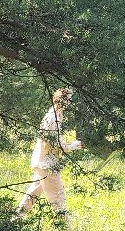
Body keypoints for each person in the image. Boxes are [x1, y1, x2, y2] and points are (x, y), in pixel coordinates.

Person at [15, 87, 82, 218]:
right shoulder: (53, 118)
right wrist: (72, 146)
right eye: (69, 99)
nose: (70, 102)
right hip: (46, 164)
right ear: (63, 101)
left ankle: (14, 220)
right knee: (58, 197)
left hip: (43, 162)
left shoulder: (57, 115)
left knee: (32, 195)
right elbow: (48, 144)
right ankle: (66, 230)